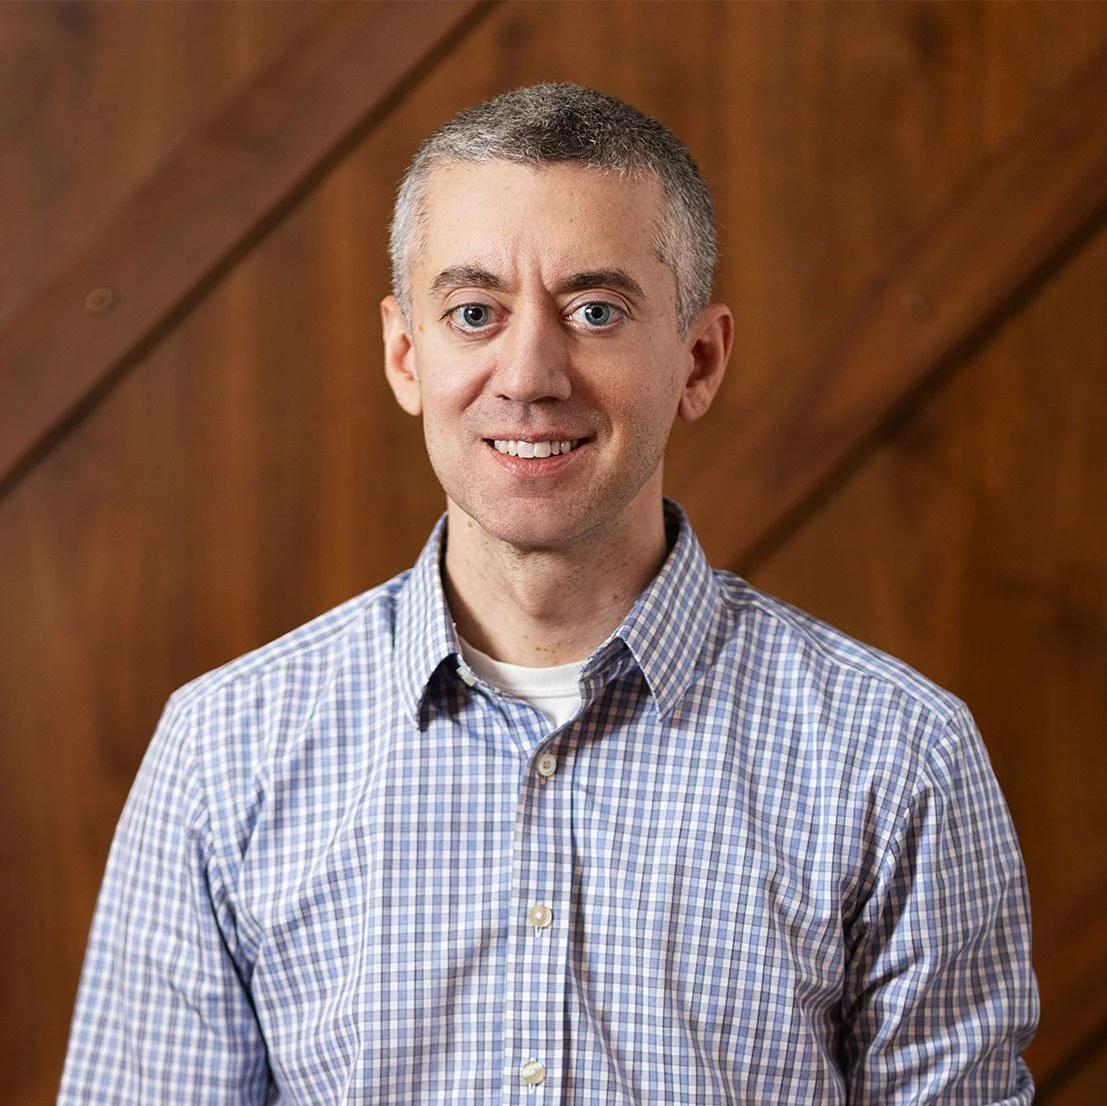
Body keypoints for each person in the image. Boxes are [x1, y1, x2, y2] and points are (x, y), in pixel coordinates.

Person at [59, 83, 1038, 1104]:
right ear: (407, 354)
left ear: (698, 360)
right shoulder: (225, 752)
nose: (528, 374)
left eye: (595, 311)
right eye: (473, 312)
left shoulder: (899, 753)